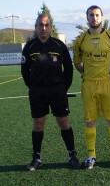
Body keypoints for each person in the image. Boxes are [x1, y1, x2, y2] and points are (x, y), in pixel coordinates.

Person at [21, 14, 81, 171]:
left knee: (63, 122)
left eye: (46, 25)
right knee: (38, 124)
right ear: (36, 27)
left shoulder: (59, 45)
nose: (43, 28)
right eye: (40, 25)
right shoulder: (29, 47)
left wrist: (63, 88)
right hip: (37, 92)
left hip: (57, 91)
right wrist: (33, 86)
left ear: (50, 27)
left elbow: (68, 69)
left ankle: (72, 155)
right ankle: (36, 158)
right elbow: (24, 70)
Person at [73, 5, 110, 169]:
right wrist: (86, 73)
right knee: (90, 121)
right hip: (88, 85)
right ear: (86, 17)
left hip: (107, 84)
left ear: (101, 17)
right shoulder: (80, 40)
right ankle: (91, 156)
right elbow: (77, 62)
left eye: (96, 15)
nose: (94, 18)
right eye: (91, 15)